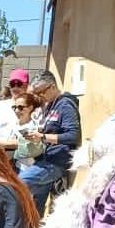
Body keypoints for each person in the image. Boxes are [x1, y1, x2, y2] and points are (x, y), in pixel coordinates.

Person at [18, 71, 81, 213]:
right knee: (35, 205)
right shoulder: (51, 105)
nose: (40, 97)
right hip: (45, 160)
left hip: (56, 162)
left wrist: (43, 137)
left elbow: (72, 135)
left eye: (41, 92)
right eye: (37, 94)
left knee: (19, 183)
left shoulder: (65, 105)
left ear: (52, 86)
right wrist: (38, 133)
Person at [0, 69, 32, 150]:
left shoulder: (33, 107)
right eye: (12, 84)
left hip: (22, 157)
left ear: (26, 85)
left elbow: (31, 140)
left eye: (19, 84)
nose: (15, 87)